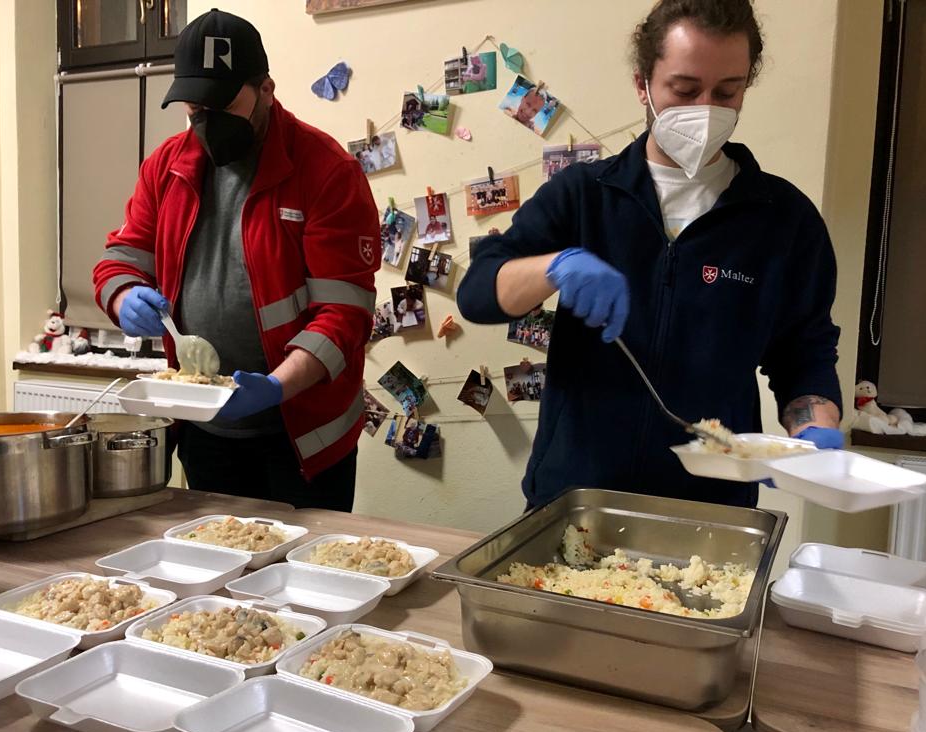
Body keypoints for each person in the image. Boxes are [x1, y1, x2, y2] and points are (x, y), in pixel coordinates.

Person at [458, 0, 843, 512]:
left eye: (727, 92)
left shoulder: (783, 219)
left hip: (711, 508)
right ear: (643, 84)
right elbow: (477, 293)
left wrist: (814, 428)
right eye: (684, 90)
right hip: (577, 497)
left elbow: (804, 354)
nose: (706, 110)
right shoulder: (584, 195)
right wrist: (555, 267)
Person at [93, 9, 380, 512]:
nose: (208, 121)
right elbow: (121, 258)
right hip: (205, 429)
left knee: (304, 561)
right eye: (195, 108)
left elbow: (345, 314)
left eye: (224, 105)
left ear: (266, 89)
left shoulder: (326, 171)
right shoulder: (166, 166)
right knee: (216, 553)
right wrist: (123, 296)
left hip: (302, 437)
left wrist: (276, 386)